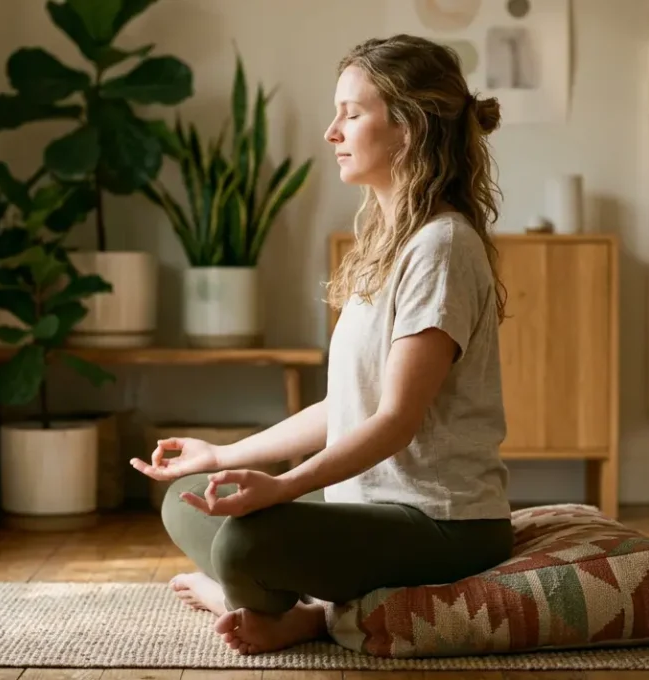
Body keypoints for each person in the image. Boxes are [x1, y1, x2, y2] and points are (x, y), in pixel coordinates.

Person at [130, 34, 513, 656]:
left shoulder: (441, 247)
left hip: (445, 524)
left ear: (409, 128)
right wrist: (223, 456)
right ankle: (294, 603)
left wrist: (283, 488)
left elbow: (394, 422)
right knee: (188, 500)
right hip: (374, 513)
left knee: (246, 543)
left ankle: (296, 611)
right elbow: (347, 406)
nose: (331, 132)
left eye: (352, 113)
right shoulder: (388, 244)